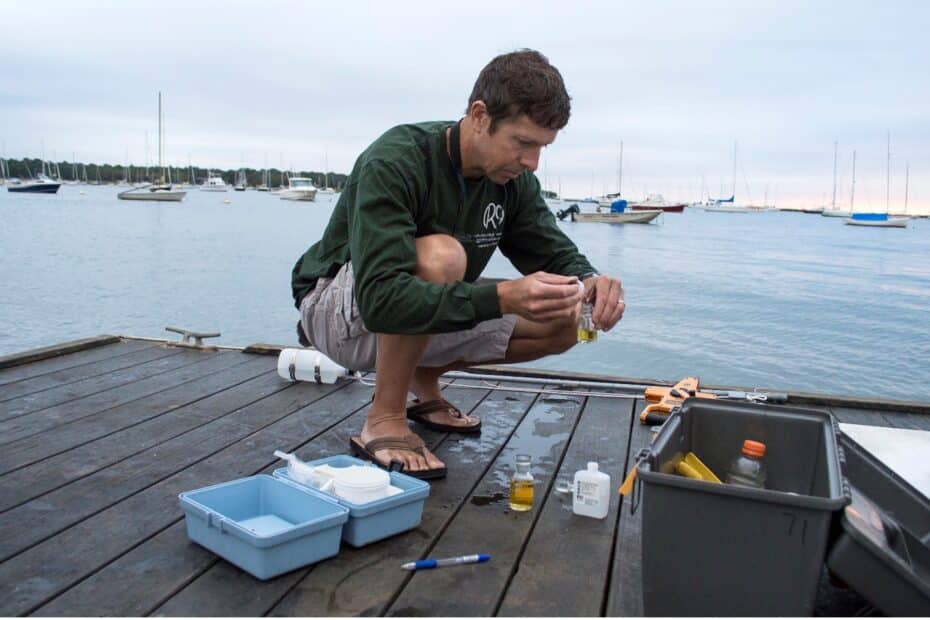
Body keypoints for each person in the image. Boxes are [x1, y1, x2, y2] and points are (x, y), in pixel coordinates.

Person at [292, 49, 625, 478]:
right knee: (442, 256)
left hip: (407, 314)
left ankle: (422, 381)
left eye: (542, 147)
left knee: (565, 315)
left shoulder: (513, 182)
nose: (532, 162)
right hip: (337, 314)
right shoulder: (397, 159)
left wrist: (590, 281)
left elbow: (552, 251)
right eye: (523, 143)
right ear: (480, 115)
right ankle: (385, 417)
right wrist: (503, 297)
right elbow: (380, 300)